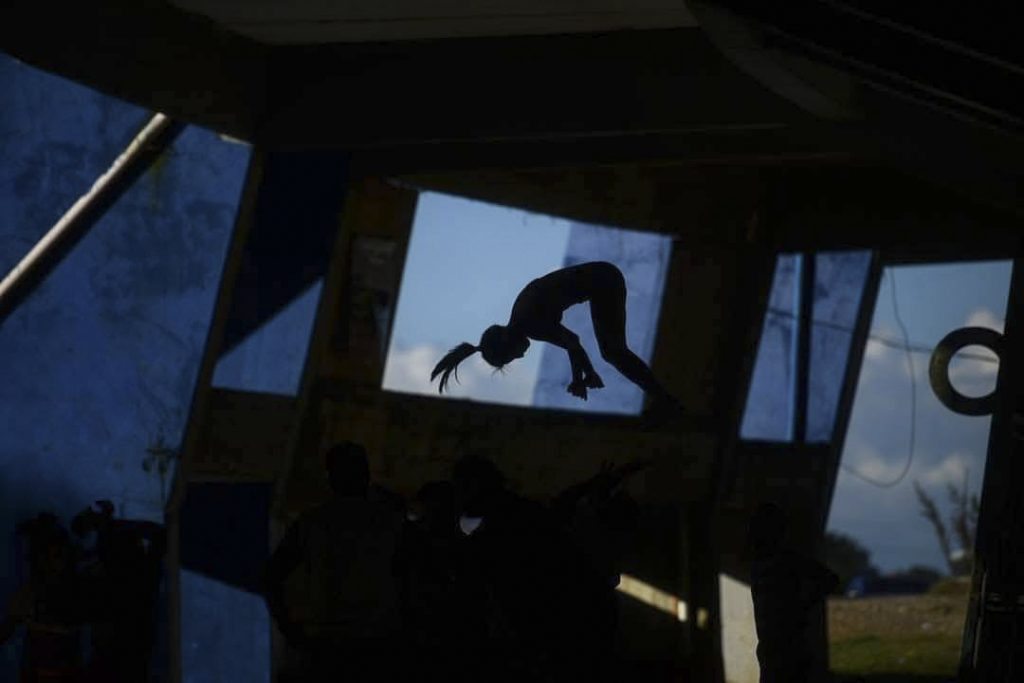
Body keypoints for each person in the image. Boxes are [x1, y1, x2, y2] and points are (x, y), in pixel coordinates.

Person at [430, 261, 680, 412]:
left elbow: (572, 344)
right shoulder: (522, 319)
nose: (521, 355)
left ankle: (663, 400)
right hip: (602, 279)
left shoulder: (530, 324)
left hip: (603, 281)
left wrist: (581, 378)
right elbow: (572, 344)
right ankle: (661, 399)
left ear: (507, 344)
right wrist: (584, 375)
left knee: (613, 352)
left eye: (513, 357)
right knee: (612, 351)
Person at [262, 442, 405, 683]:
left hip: (328, 645)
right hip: (378, 643)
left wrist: (292, 631)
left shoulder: (312, 523)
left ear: (331, 477)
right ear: (366, 474)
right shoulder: (390, 522)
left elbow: (271, 578)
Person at [71, 500, 166, 683]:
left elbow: (158, 537)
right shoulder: (111, 539)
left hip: (130, 611)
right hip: (126, 613)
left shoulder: (117, 535)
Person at [748, 502, 838, 683]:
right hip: (781, 647)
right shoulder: (784, 561)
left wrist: (802, 606)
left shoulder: (775, 563)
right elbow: (830, 580)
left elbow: (829, 580)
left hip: (780, 648)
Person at [1, 513, 86, 683]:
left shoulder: (78, 590)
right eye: (52, 556)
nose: (57, 562)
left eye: (61, 555)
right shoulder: (31, 591)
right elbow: (8, 628)